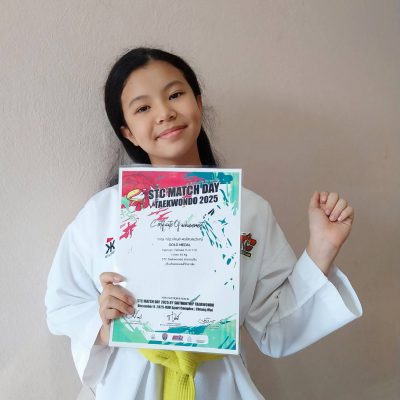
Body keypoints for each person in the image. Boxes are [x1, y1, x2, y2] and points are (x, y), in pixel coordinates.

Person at [45, 47, 362, 400]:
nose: (165, 113)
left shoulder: (249, 212)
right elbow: (63, 305)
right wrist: (102, 324)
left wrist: (321, 249)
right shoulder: (100, 213)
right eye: (143, 108)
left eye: (175, 95)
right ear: (128, 132)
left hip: (219, 386)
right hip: (127, 386)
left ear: (197, 102)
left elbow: (274, 328)